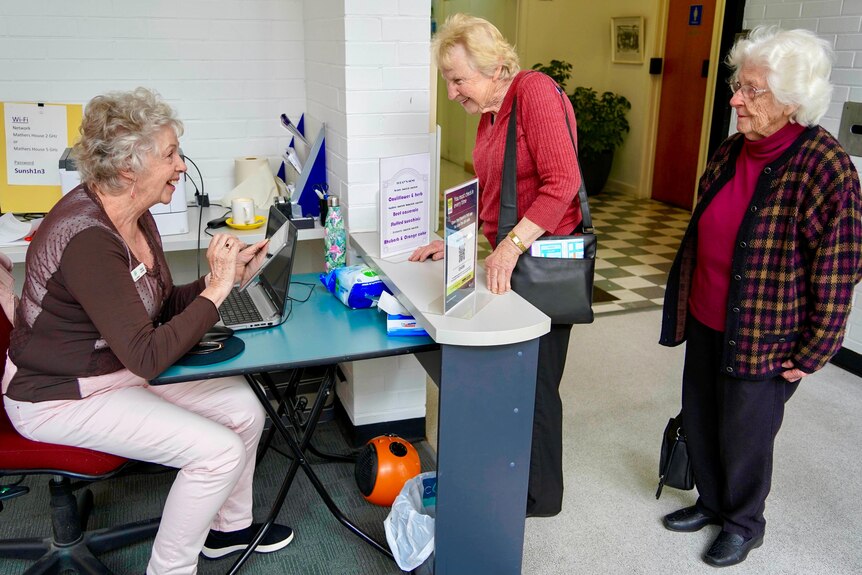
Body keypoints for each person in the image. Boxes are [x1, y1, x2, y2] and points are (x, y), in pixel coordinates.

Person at [1, 87, 294, 574]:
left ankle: (229, 530)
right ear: (126, 170)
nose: (181, 166)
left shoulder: (133, 215)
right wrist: (217, 293)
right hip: (58, 393)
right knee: (216, 453)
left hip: (113, 367)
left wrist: (221, 280)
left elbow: (154, 307)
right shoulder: (89, 241)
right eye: (170, 154)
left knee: (244, 407)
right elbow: (147, 355)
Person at [660, 26, 862, 567]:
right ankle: (710, 501)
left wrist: (814, 350)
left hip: (766, 334)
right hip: (707, 313)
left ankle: (745, 523)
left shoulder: (827, 166)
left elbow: (840, 270)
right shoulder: (731, 149)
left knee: (746, 434)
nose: (735, 99)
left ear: (791, 102)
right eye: (739, 85)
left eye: (753, 90)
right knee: (701, 413)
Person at [410, 13, 583, 517]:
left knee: (535, 384)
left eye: (458, 79)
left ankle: (541, 497)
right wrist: (456, 240)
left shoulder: (534, 94)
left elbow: (562, 183)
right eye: (447, 80)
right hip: (513, 257)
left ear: (498, 67)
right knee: (509, 380)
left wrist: (507, 248)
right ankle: (508, 474)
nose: (452, 92)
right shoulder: (492, 112)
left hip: (545, 264)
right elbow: (496, 192)